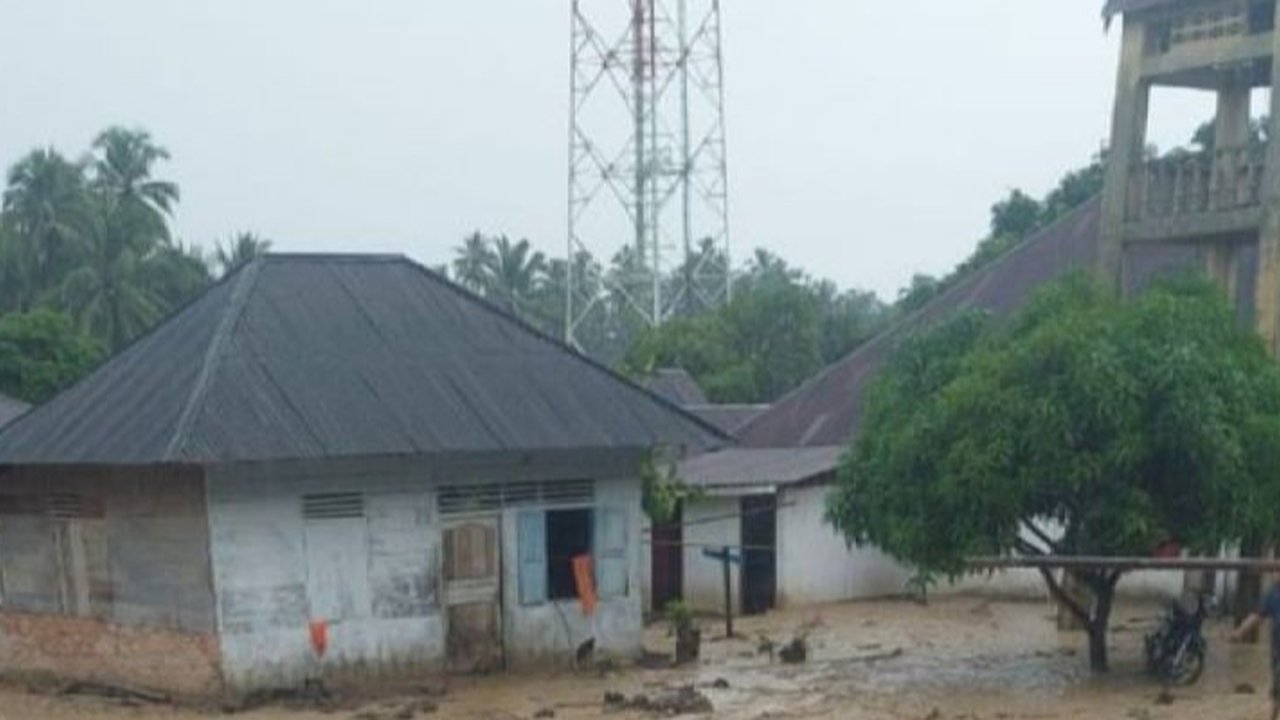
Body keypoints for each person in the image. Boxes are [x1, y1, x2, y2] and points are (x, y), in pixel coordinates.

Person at [1233, 581, 1280, 720]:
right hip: (1278, 646)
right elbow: (1257, 616)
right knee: (1277, 681)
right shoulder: (1273, 593)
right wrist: (1240, 632)